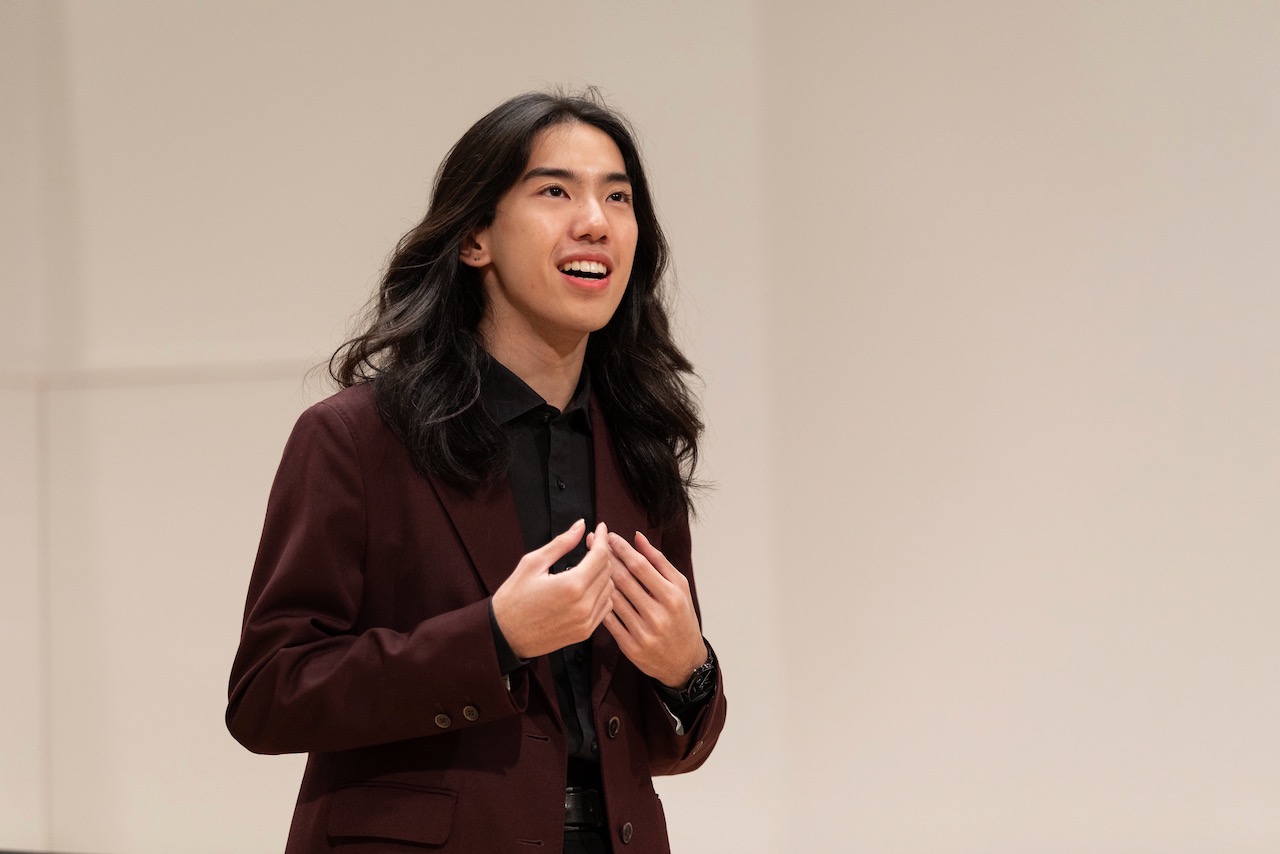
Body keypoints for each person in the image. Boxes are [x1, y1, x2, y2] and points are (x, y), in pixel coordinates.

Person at [226, 90, 726, 854]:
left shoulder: (640, 445)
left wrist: (688, 669)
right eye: (555, 190)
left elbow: (650, 739)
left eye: (618, 197)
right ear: (474, 240)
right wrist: (492, 639)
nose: (595, 219)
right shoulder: (356, 439)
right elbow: (268, 694)